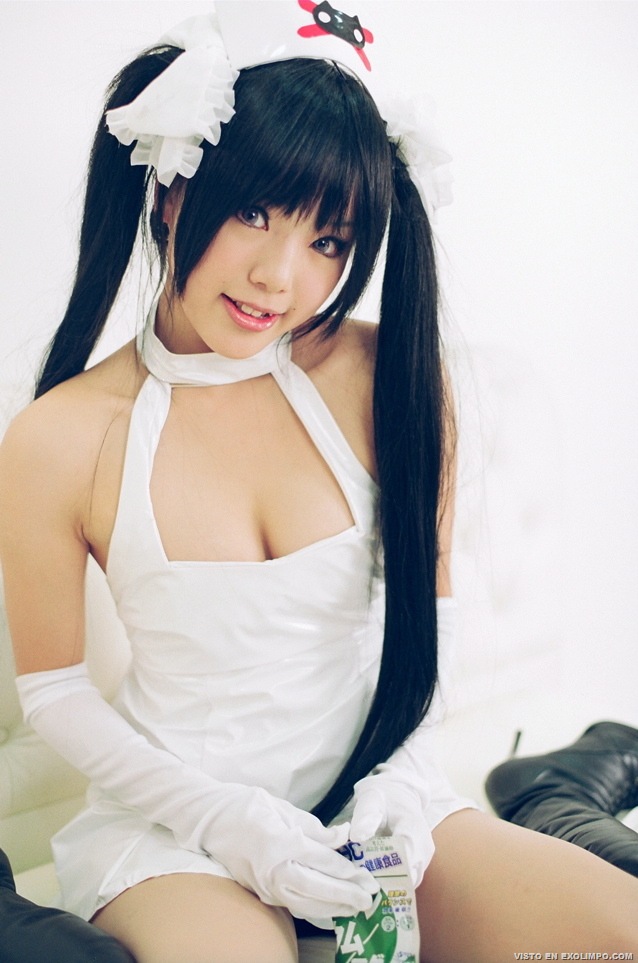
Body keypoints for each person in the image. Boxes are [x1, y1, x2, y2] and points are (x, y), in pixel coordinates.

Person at [0, 4, 636, 962]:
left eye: (328, 240)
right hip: (183, 834)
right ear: (174, 189)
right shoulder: (63, 433)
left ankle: (553, 790)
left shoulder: (387, 379)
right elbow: (55, 692)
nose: (278, 276)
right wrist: (225, 818)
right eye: (255, 211)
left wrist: (401, 778)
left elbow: (432, 615)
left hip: (378, 806)